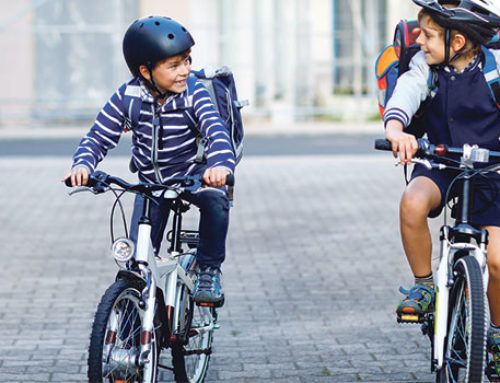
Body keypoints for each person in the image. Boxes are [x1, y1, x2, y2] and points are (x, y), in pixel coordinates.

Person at [62, 16, 235, 307]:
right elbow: (98, 137)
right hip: (150, 184)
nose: (185, 71)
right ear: (145, 70)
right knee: (138, 264)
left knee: (216, 201)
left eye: (187, 61)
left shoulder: (195, 95)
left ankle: (208, 270)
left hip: (192, 175)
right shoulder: (126, 97)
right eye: (174, 65)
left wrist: (219, 166)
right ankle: (131, 334)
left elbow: (216, 133)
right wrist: (83, 165)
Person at [383, 0, 500, 374]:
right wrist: (396, 129)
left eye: (429, 35)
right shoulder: (426, 67)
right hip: (441, 161)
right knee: (411, 203)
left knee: (497, 262)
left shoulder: (494, 69)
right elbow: (406, 91)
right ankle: (424, 286)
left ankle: (496, 334)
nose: (419, 41)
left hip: (491, 170)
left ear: (458, 40)